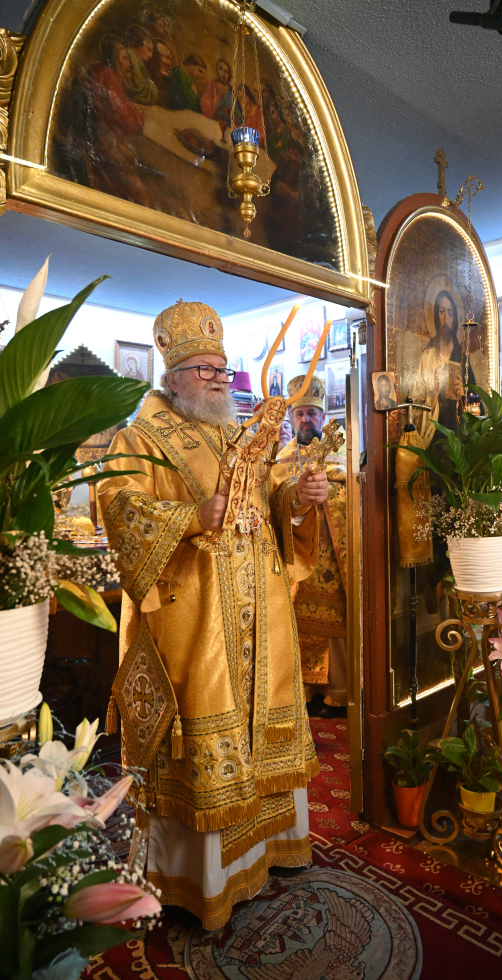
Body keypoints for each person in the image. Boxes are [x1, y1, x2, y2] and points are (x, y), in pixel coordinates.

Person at [98, 300, 328, 929]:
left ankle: (272, 849)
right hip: (193, 617)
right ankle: (201, 880)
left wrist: (299, 499)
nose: (218, 380)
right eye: (204, 369)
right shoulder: (140, 437)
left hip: (259, 613)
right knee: (205, 724)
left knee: (264, 725)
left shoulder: (235, 434)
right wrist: (190, 517)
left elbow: (267, 498)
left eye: (221, 369)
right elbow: (116, 506)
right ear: (173, 377)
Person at [276, 375, 348, 717]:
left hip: (332, 556)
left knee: (335, 623)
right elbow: (274, 498)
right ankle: (303, 691)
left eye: (312, 413)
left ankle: (337, 691)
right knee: (297, 623)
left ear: (323, 416)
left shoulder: (342, 455)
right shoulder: (282, 459)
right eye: (300, 414)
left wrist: (331, 492)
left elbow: (354, 494)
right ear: (292, 418)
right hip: (297, 557)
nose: (306, 419)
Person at [78, 36, 147, 204]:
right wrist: (139, 116)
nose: (128, 64)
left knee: (132, 160)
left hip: (91, 137)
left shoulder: (96, 69)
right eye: (125, 58)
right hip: (99, 143)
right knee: (137, 188)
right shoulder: (108, 76)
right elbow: (127, 120)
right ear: (114, 59)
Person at [415, 288, 475, 445]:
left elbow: (477, 402)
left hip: (458, 437)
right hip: (434, 435)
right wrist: (434, 393)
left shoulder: (462, 359)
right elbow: (416, 402)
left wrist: (463, 395)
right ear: (436, 316)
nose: (446, 318)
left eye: (450, 312)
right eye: (441, 312)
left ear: (454, 318)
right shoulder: (428, 355)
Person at [200, 58, 241, 131]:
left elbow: (239, 119)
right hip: (211, 125)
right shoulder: (212, 85)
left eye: (226, 72)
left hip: (227, 130)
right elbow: (204, 104)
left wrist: (230, 112)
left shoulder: (232, 95)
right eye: (220, 69)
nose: (223, 74)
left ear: (230, 74)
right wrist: (214, 103)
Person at [123, 25, 158, 105]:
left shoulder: (135, 59)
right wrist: (151, 86)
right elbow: (141, 89)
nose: (151, 55)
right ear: (138, 43)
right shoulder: (132, 58)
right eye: (149, 49)